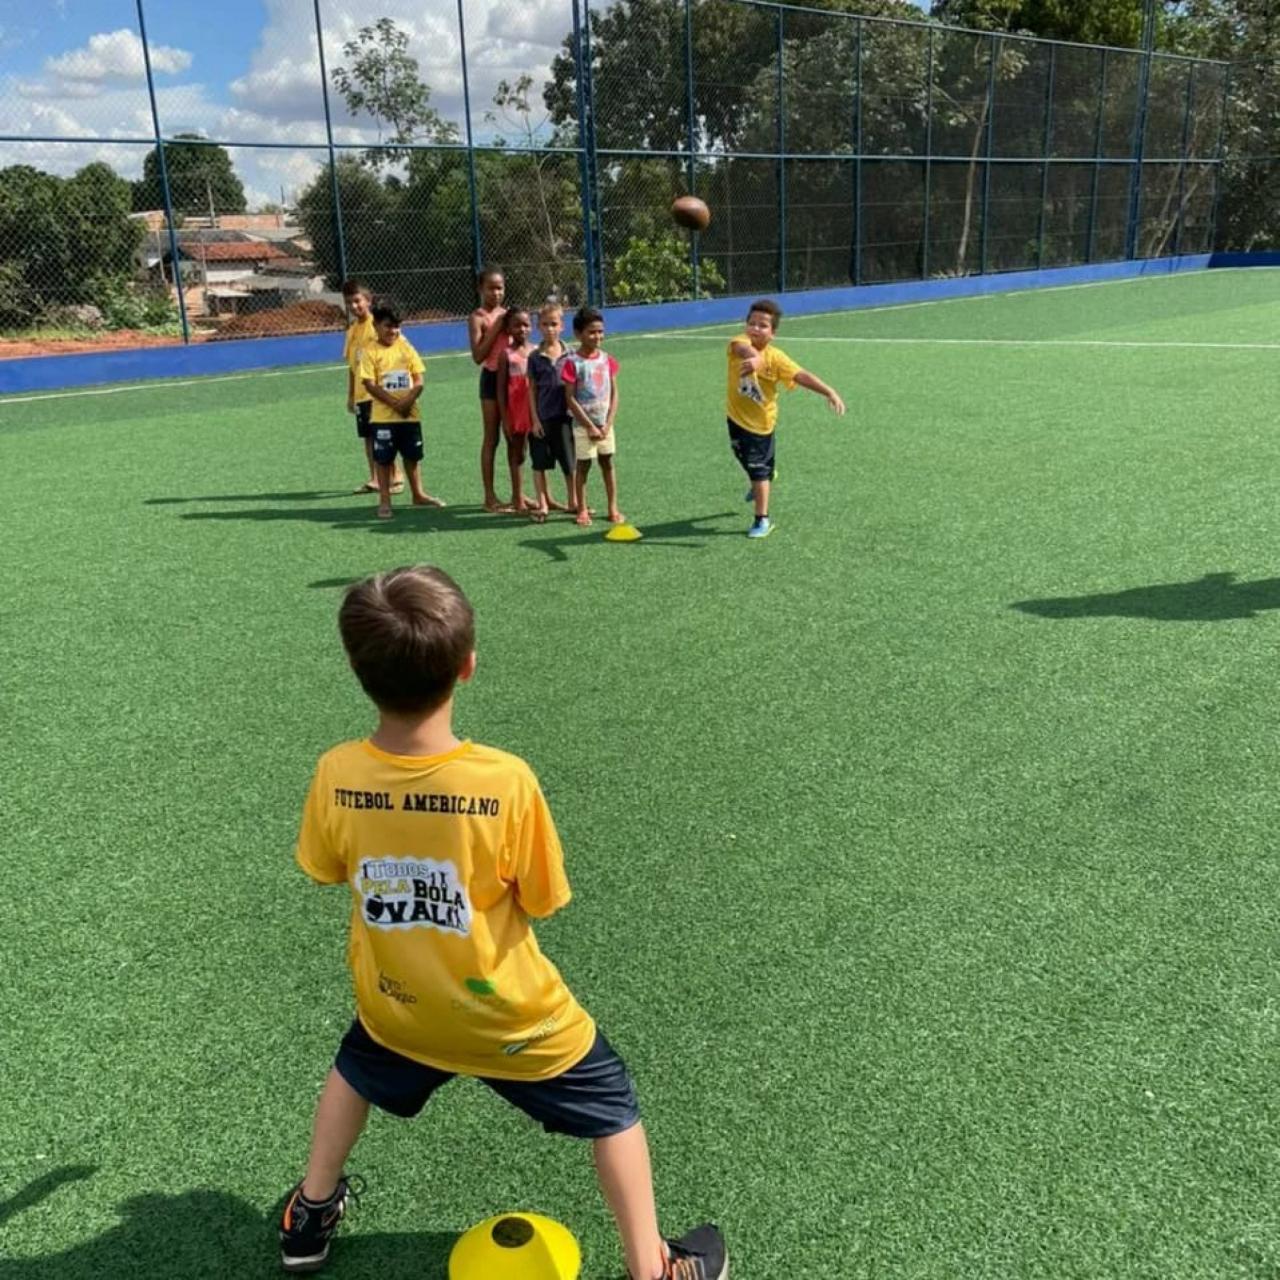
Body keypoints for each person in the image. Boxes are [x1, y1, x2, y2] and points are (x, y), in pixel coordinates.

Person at [278, 565, 729, 1280]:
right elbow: (543, 897)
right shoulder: (504, 780)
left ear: (356, 670)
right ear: (467, 666)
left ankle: (308, 1213)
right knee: (615, 1106)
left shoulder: (337, 771)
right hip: (509, 1019)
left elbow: (327, 866)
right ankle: (655, 1269)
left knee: (355, 1067)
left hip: (400, 1006)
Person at [726, 299, 845, 539]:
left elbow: (801, 375)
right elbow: (744, 351)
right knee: (746, 460)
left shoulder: (776, 358)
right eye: (752, 323)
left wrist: (829, 391)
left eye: (763, 326)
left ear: (773, 333)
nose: (755, 329)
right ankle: (766, 477)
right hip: (735, 418)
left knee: (757, 470)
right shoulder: (739, 343)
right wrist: (754, 358)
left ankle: (762, 519)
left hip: (762, 426)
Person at [358, 301, 444, 519]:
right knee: (384, 459)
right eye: (388, 326)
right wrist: (394, 404)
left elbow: (419, 378)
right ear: (376, 326)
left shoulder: (406, 348)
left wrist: (408, 401)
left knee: (413, 456)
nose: (393, 331)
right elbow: (369, 383)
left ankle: (418, 494)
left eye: (397, 326)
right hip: (383, 418)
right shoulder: (369, 352)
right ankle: (385, 501)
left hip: (410, 415)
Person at [562, 307, 623, 528]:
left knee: (607, 463)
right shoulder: (573, 363)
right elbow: (570, 398)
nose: (597, 336)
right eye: (591, 332)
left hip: (605, 425)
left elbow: (615, 394)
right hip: (583, 426)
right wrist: (589, 426)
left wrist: (608, 423)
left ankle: (613, 507)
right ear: (578, 334)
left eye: (600, 331)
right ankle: (582, 508)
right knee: (584, 465)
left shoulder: (607, 360)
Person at [341, 279, 402, 497]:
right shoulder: (351, 331)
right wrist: (351, 396)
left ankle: (396, 476)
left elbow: (392, 353)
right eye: (349, 303)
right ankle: (375, 478)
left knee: (383, 435)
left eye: (357, 301)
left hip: (377, 392)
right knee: (368, 437)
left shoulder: (377, 325)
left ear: (368, 300)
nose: (354, 306)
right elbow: (352, 366)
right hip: (361, 395)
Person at [527, 302, 577, 522]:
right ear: (539, 327)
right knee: (540, 463)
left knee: (570, 462)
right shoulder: (535, 357)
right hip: (543, 418)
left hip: (565, 418)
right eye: (545, 324)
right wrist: (535, 419)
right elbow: (531, 390)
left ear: (562, 326)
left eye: (554, 324)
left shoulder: (570, 354)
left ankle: (574, 501)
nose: (550, 329)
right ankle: (543, 503)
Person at [467, 267, 510, 512]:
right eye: (491, 288)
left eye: (500, 287)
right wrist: (497, 327)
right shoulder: (478, 317)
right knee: (492, 438)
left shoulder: (508, 314)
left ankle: (519, 493)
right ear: (480, 289)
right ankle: (489, 497)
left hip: (513, 379)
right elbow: (478, 355)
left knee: (514, 437)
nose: (496, 293)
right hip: (491, 378)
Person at [495, 307, 537, 515]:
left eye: (526, 325)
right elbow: (501, 390)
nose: (522, 329)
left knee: (537, 452)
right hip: (516, 411)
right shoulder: (506, 355)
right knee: (517, 452)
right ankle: (517, 496)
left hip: (535, 409)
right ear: (509, 329)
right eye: (517, 325)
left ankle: (543, 496)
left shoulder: (537, 352)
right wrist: (504, 418)